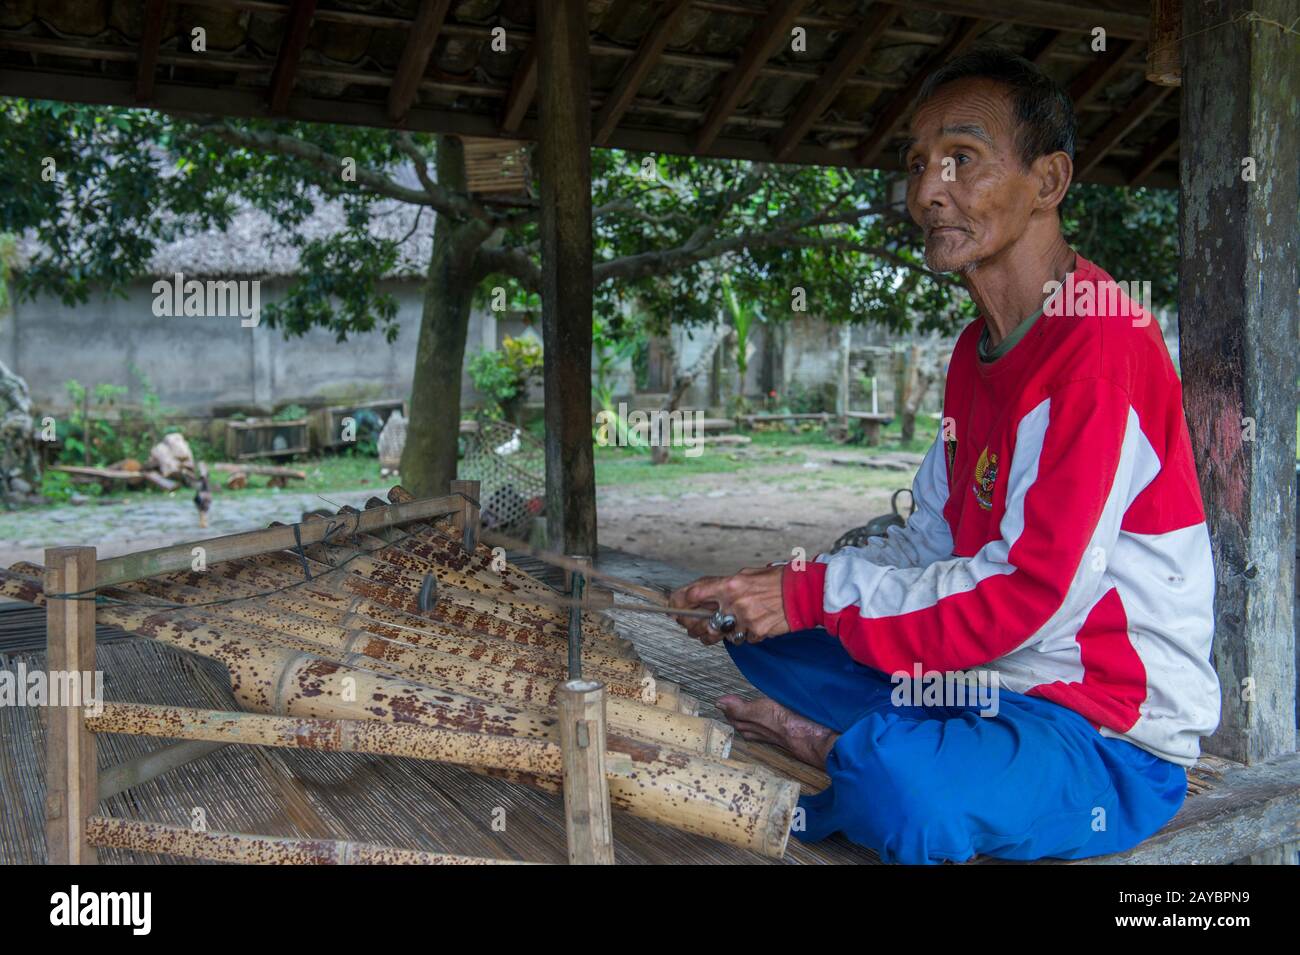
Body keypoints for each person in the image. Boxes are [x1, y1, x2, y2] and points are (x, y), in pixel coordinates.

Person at [670, 48, 1219, 864]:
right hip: (982, 681)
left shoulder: (1101, 345)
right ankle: (883, 740)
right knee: (762, 637)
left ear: (1049, 181)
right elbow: (930, 540)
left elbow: (1033, 594)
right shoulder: (977, 353)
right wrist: (775, 591)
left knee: (908, 792)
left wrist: (813, 593)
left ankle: (840, 751)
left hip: (1099, 729)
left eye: (963, 159)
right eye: (919, 163)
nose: (928, 191)